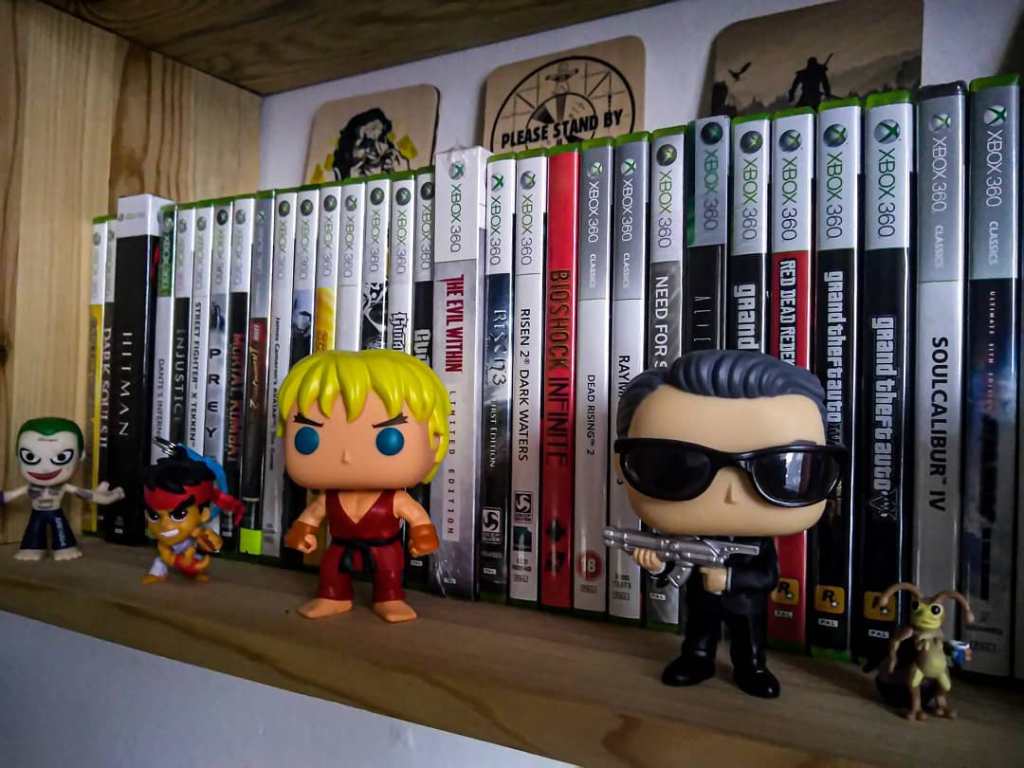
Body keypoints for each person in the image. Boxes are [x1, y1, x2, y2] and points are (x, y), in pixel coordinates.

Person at [614, 351, 842, 697]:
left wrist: (730, 578)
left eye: (778, 470)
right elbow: (675, 567)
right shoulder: (688, 538)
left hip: (745, 603)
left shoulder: (755, 545)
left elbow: (767, 576)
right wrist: (657, 564)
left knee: (748, 638)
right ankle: (698, 658)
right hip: (701, 600)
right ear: (622, 467)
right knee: (699, 633)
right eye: (679, 467)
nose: (733, 495)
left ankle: (752, 667)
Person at [280, 349, 450, 623]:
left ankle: (390, 598)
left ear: (436, 440)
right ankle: (333, 597)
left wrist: (423, 535)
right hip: (340, 547)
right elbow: (311, 516)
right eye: (308, 438)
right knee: (332, 571)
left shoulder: (395, 500)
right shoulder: (329, 499)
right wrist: (303, 532)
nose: (347, 456)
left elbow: (417, 517)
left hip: (385, 549)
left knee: (389, 573)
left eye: (388, 439)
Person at [1, 417, 123, 561]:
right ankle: (32, 548)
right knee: (34, 530)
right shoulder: (30, 487)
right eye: (30, 456)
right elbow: (9, 495)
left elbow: (85, 495)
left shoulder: (63, 487)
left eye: (61, 457)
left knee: (61, 531)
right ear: (18, 455)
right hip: (37, 514)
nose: (45, 468)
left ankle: (64, 547)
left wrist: (106, 497)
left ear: (80, 456)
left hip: (56, 514)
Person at [141, 447, 243, 584]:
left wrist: (209, 540)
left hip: (191, 554)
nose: (165, 525)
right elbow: (164, 552)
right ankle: (158, 574)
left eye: (179, 515)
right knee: (160, 561)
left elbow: (214, 546)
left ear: (204, 514)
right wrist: (175, 561)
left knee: (198, 561)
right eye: (154, 516)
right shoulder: (163, 541)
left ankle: (195, 573)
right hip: (172, 555)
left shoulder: (197, 532)